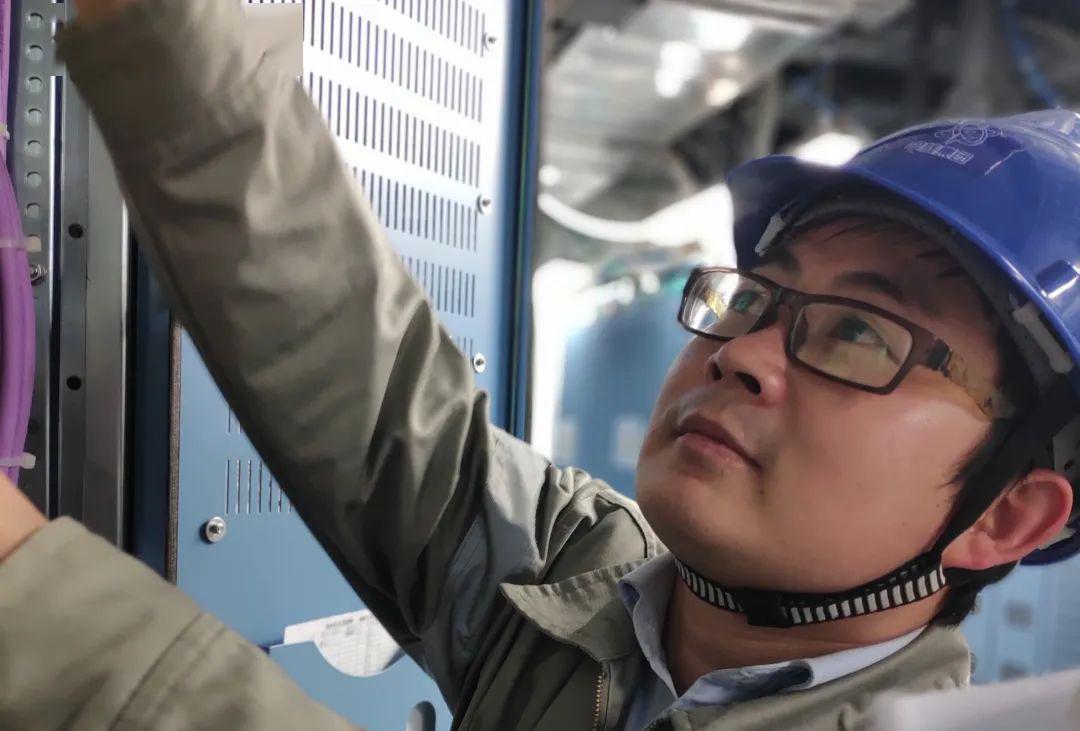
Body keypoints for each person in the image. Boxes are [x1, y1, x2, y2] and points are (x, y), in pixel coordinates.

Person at [0, 0, 1078, 728]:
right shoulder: (587, 576)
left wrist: (24, 576)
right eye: (754, 295)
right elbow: (354, 378)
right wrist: (159, 29)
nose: (742, 353)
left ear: (1008, 516)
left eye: (860, 335)